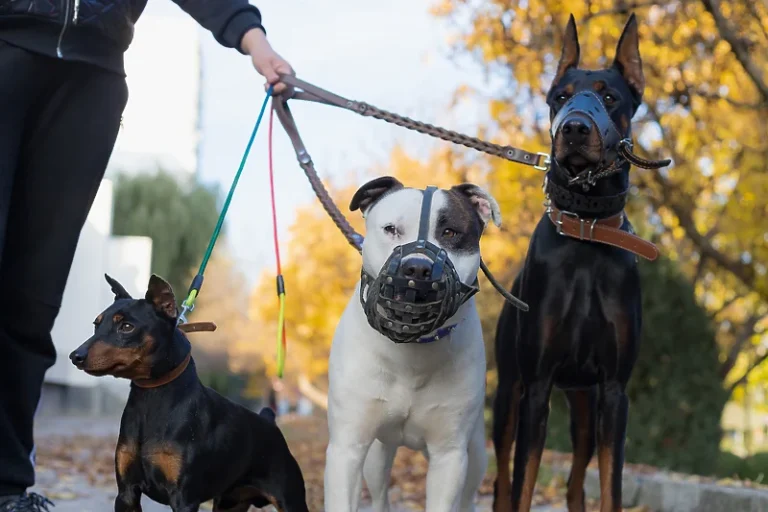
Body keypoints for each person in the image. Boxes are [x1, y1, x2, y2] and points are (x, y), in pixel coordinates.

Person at [0, 0, 293, 508]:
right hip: (6, 46)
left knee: (31, 299)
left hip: (92, 79)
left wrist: (254, 40)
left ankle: (6, 486)